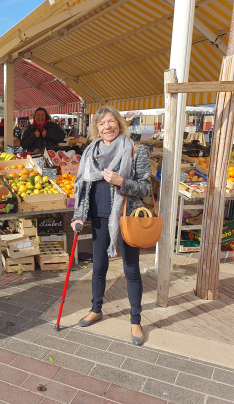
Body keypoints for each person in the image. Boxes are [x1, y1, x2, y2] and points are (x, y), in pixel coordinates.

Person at [71, 106, 151, 346]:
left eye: (111, 121)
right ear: (97, 128)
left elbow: (147, 188)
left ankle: (135, 319)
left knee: (131, 269)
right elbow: (82, 187)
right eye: (102, 123)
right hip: (98, 216)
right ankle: (96, 309)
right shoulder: (90, 152)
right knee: (98, 268)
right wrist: (78, 216)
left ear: (119, 123)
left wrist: (122, 182)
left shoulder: (136, 150)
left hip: (126, 216)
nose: (107, 127)